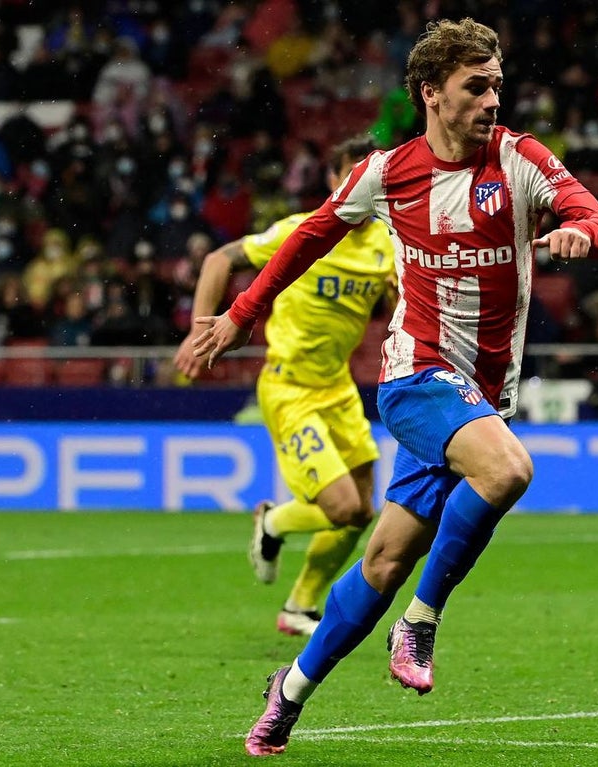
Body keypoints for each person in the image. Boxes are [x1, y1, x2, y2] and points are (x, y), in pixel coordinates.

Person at [189, 18, 598, 756]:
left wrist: (585, 232)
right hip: (416, 375)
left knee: (384, 560)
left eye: (497, 85)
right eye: (475, 87)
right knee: (508, 470)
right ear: (430, 92)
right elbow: (306, 238)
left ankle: (288, 692)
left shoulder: (520, 159)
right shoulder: (387, 173)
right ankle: (420, 622)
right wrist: (240, 314)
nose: (492, 100)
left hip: (479, 396)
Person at [173, 134, 395, 638]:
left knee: (361, 512)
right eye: (350, 173)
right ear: (333, 179)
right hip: (290, 388)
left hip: (338, 389)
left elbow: (391, 302)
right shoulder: (302, 230)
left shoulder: (386, 244)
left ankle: (300, 605)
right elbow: (219, 260)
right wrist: (198, 329)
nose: (361, 184)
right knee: (341, 507)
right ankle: (272, 523)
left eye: (370, 176)